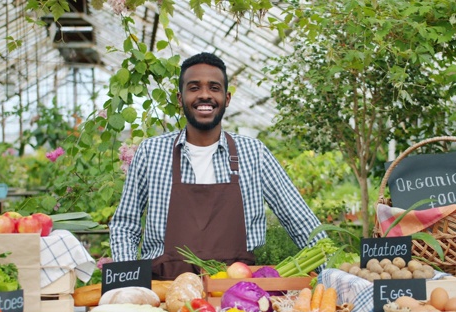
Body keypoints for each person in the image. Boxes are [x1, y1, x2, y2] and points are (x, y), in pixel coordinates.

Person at [109, 52, 326, 280]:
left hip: (238, 293)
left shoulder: (254, 153)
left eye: (214, 88)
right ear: (180, 99)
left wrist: (329, 271)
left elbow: (299, 220)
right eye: (194, 88)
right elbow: (126, 224)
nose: (205, 95)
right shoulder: (151, 152)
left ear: (227, 98)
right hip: (165, 291)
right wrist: (128, 283)